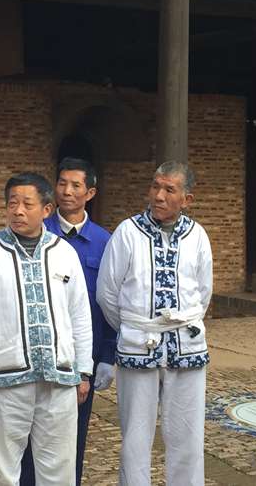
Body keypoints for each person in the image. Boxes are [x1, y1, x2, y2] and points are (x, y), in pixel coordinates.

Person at [0, 173, 92, 486]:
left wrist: (84, 370)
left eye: (27, 204)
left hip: (60, 378)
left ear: (46, 210)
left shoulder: (64, 252)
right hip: (6, 380)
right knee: (1, 471)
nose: (18, 211)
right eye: (12, 203)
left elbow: (79, 315)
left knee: (58, 469)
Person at [96, 161, 213, 486]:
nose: (158, 196)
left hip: (187, 347)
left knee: (188, 436)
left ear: (187, 199)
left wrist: (176, 326)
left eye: (169, 190)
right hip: (137, 345)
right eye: (155, 187)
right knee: (135, 437)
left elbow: (203, 295)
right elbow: (107, 292)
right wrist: (137, 327)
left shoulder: (198, 236)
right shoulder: (127, 232)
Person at [19, 158, 115, 486]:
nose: (67, 191)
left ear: (90, 192)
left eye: (75, 185)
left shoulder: (105, 242)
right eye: (62, 183)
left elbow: (109, 306)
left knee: (72, 441)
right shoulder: (37, 232)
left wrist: (105, 357)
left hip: (80, 360)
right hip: (36, 356)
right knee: (29, 442)